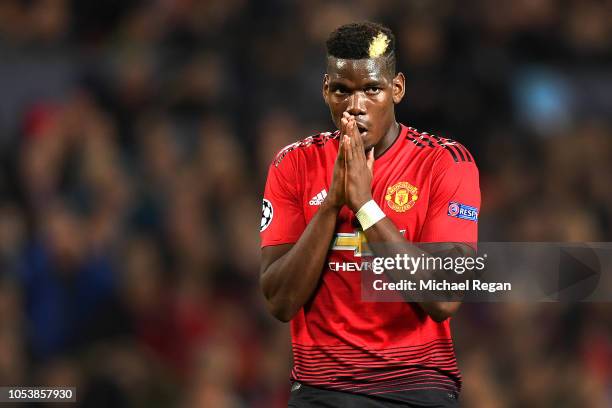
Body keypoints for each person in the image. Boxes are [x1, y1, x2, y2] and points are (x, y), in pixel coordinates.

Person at [259, 21, 480, 407]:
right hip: (321, 391)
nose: (355, 106)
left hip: (416, 387)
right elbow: (279, 301)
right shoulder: (293, 163)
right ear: (326, 90)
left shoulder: (445, 163)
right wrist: (332, 204)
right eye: (342, 91)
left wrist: (365, 206)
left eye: (372, 89)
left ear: (397, 88)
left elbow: (445, 298)